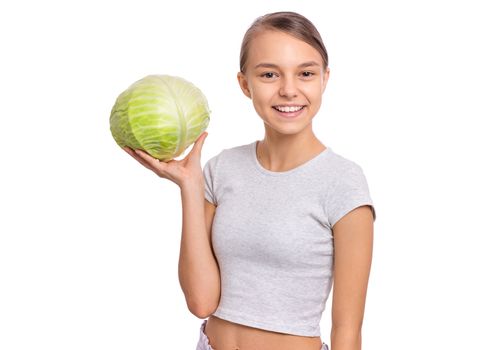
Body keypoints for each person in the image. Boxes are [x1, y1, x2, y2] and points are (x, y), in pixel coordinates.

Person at [123, 11, 376, 350]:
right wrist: (189, 186)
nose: (289, 90)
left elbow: (347, 331)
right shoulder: (221, 168)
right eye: (269, 74)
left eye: (305, 73)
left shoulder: (343, 182)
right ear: (245, 83)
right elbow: (201, 302)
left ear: (324, 79)